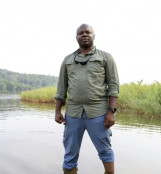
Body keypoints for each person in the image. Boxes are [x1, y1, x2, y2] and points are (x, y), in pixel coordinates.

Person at [55, 24, 119, 174]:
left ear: (93, 36)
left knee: (105, 151)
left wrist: (111, 112)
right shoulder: (68, 60)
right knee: (70, 154)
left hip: (99, 113)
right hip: (73, 113)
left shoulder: (105, 57)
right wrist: (57, 111)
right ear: (76, 37)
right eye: (81, 33)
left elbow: (114, 86)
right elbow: (61, 88)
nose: (84, 35)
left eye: (88, 32)